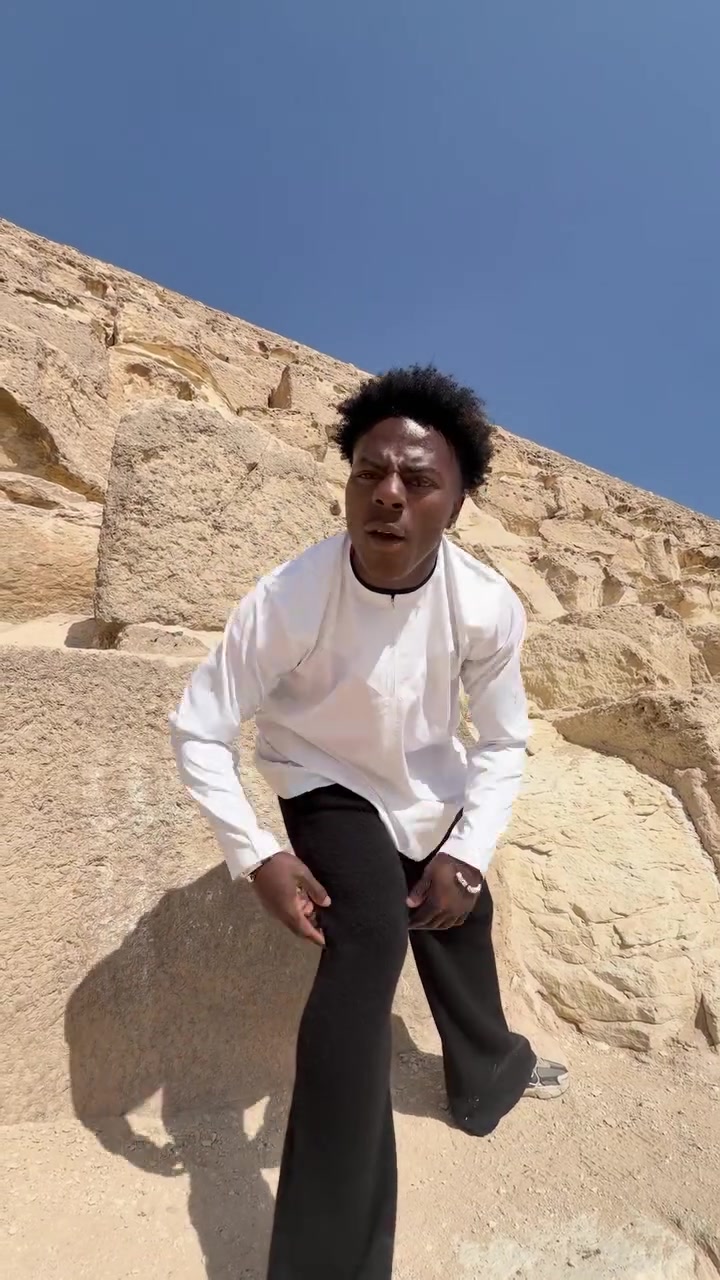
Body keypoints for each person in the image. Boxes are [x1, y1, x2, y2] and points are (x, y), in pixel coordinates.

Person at [170, 364, 568, 1280]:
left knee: (460, 913)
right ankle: (329, 1260)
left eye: (419, 481)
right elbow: (199, 726)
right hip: (322, 777)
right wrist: (258, 854)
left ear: (457, 504)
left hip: (426, 783)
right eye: (369, 473)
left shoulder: (487, 606)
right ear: (349, 483)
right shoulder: (288, 597)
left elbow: (505, 742)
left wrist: (467, 855)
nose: (389, 495)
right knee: (372, 939)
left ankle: (489, 1075)